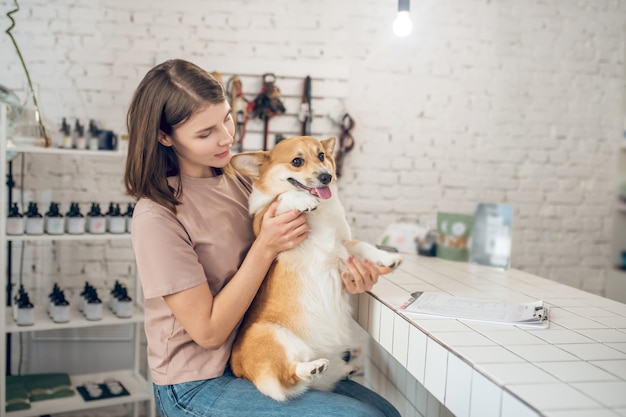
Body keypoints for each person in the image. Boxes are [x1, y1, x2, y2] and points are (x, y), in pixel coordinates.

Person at [123, 59, 401, 417]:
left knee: (388, 413)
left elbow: (298, 265)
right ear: (165, 136)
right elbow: (207, 333)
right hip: (197, 382)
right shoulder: (157, 216)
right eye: (205, 133)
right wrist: (265, 245)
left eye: (226, 118)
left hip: (264, 356)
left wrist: (348, 275)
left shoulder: (244, 183)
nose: (226, 137)